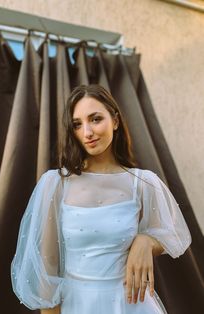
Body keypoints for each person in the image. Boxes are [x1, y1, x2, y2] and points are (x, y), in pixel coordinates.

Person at [11, 84, 192, 314]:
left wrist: (147, 241)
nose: (87, 132)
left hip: (132, 305)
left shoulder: (143, 182)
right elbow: (48, 270)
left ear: (115, 121)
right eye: (77, 124)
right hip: (77, 304)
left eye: (95, 119)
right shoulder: (55, 184)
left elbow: (176, 233)